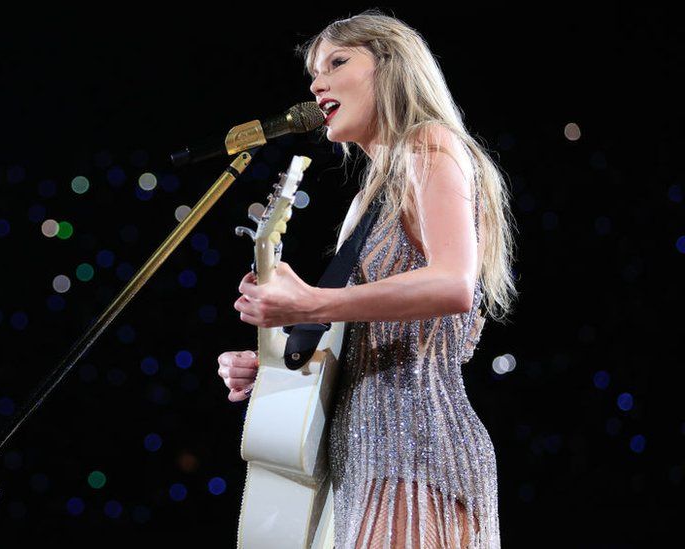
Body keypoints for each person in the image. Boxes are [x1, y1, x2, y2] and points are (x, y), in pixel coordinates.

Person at [217, 8, 519, 549]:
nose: (316, 83)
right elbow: (362, 342)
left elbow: (453, 284)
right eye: (313, 71)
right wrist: (273, 371)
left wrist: (309, 303)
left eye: (336, 61)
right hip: (365, 459)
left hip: (415, 449)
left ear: (391, 66)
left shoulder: (429, 143)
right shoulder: (365, 202)